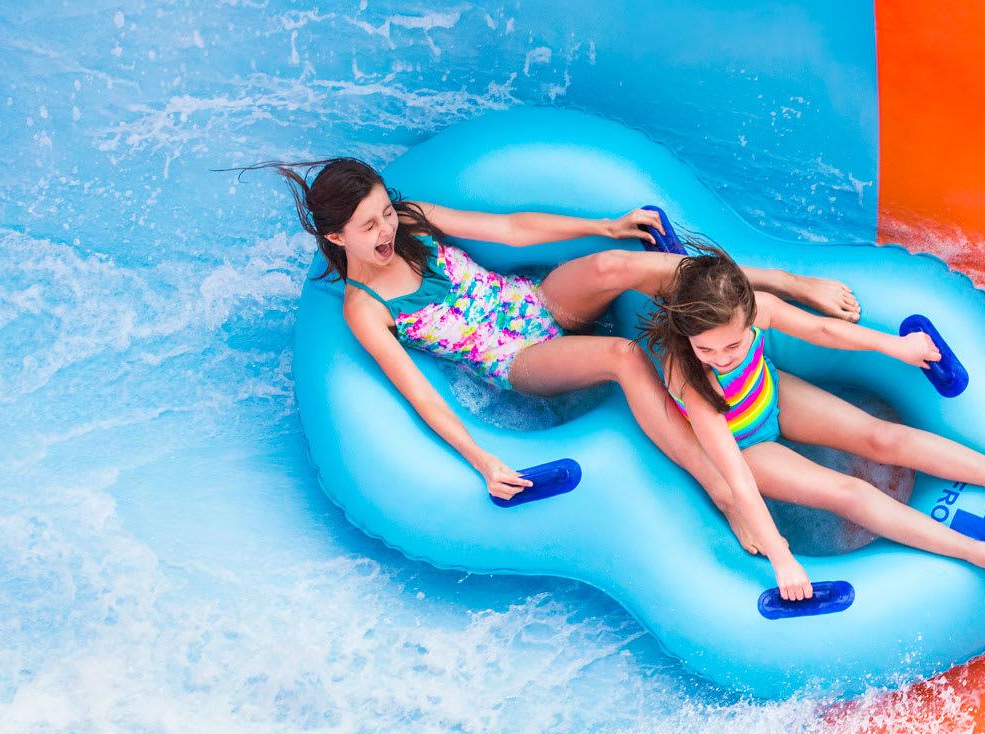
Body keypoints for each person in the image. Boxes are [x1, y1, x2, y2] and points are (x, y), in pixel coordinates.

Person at [254, 157, 858, 549]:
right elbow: (417, 393)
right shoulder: (364, 307)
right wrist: (482, 459)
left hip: (538, 304)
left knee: (613, 265)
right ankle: (724, 490)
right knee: (624, 355)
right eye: (367, 226)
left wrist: (605, 224)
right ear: (337, 238)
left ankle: (786, 281)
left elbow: (512, 230)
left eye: (385, 212)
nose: (385, 230)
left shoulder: (411, 222)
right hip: (516, 359)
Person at [644, 239, 985, 599]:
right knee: (849, 493)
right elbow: (736, 476)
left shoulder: (758, 308)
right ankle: (980, 553)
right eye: (707, 350)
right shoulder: (685, 375)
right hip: (746, 446)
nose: (720, 360)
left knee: (884, 437)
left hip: (771, 394)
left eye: (733, 347)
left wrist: (895, 346)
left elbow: (824, 331)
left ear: (746, 313)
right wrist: (782, 558)